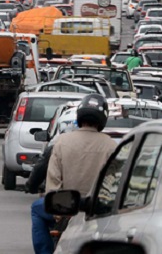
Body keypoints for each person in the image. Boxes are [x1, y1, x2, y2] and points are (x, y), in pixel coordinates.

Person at [31, 94, 118, 254]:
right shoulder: (111, 146)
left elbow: (53, 183)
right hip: (97, 210)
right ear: (103, 119)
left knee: (36, 209)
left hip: (65, 207)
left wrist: (58, 214)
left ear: (79, 116)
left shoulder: (62, 142)